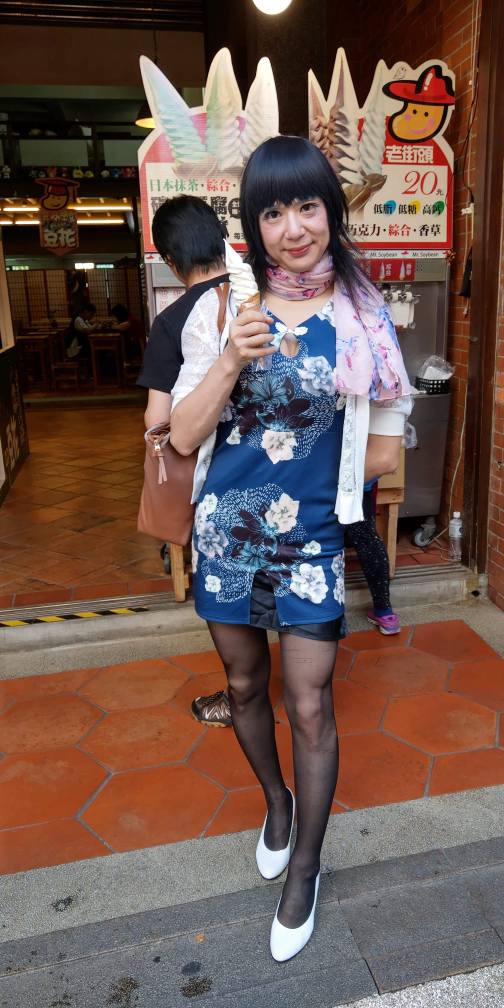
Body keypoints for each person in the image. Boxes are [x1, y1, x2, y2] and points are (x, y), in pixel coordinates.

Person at [169, 135, 412, 961]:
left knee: (310, 704)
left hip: (309, 536)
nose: (293, 227)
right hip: (226, 532)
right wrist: (231, 360)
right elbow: (183, 435)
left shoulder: (365, 316)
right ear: (254, 226)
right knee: (243, 684)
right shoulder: (220, 309)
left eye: (307, 205)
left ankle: (304, 866)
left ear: (331, 211)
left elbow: (387, 451)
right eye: (273, 212)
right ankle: (275, 802)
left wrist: (315, 464)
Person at [137, 196, 232, 728]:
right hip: (281, 478)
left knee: (228, 599)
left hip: (213, 486)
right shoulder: (266, 299)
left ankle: (240, 698)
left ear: (171, 260)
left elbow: (159, 421)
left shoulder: (174, 321)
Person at [345, 477, 400, 633]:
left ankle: (322, 615)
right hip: (357, 483)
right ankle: (384, 612)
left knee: (320, 541)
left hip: (319, 485)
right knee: (368, 540)